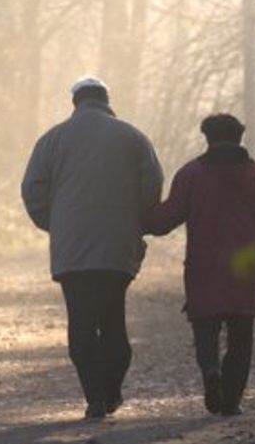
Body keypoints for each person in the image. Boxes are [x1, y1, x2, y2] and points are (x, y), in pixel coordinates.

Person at [21, 76, 164, 420]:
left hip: (72, 252)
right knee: (113, 319)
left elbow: (32, 189)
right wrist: (136, 221)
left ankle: (95, 397)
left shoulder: (52, 139)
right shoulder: (133, 137)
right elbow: (153, 184)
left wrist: (56, 224)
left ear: (75, 102)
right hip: (117, 248)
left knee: (81, 322)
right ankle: (111, 390)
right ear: (106, 100)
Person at [143, 113, 255, 416]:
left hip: (203, 268)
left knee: (205, 329)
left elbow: (167, 218)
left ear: (207, 137)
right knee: (241, 336)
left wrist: (137, 219)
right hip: (245, 271)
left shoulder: (191, 174)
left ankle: (210, 372)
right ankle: (231, 400)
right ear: (240, 137)